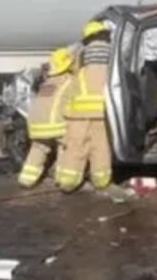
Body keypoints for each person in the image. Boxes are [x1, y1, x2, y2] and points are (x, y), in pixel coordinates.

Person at [59, 19, 114, 191]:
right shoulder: (114, 52)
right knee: (101, 148)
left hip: (79, 114)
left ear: (87, 38)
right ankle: (101, 181)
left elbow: (66, 70)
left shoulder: (80, 53)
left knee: (75, 148)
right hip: (103, 112)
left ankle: (68, 183)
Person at [17, 46, 78, 190]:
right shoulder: (71, 81)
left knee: (39, 148)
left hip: (36, 125)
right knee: (65, 147)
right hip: (55, 124)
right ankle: (62, 180)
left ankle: (26, 180)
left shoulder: (48, 83)